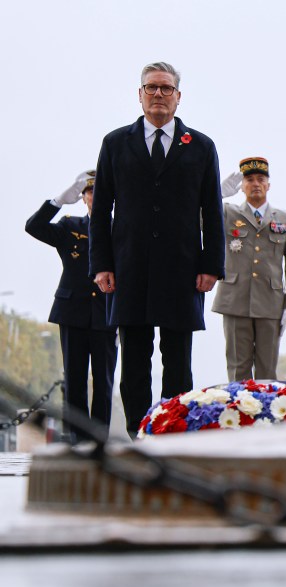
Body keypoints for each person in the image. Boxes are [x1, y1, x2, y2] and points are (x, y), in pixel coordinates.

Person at [89, 62, 225, 439]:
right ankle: (138, 434)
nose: (159, 95)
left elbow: (212, 210)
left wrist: (211, 264)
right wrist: (101, 264)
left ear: (179, 97)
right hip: (128, 266)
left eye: (166, 89)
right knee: (133, 360)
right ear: (140, 94)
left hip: (182, 268)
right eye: (151, 88)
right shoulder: (116, 143)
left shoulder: (200, 146)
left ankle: (175, 432)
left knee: (178, 360)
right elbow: (101, 209)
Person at [25, 171, 117, 442]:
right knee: (74, 379)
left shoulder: (121, 229)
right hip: (72, 310)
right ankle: (75, 438)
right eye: (90, 192)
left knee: (103, 381)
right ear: (83, 197)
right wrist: (57, 201)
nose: (94, 197)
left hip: (106, 311)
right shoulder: (70, 225)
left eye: (100, 192)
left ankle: (99, 440)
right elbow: (34, 227)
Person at [214, 158, 286, 381]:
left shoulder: (284, 218)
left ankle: (266, 417)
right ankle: (239, 416)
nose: (255, 184)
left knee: (267, 372)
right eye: (249, 179)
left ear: (268, 185)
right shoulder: (227, 213)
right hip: (235, 300)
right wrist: (215, 195)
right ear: (242, 185)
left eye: (261, 179)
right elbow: (197, 220)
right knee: (237, 371)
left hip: (270, 303)